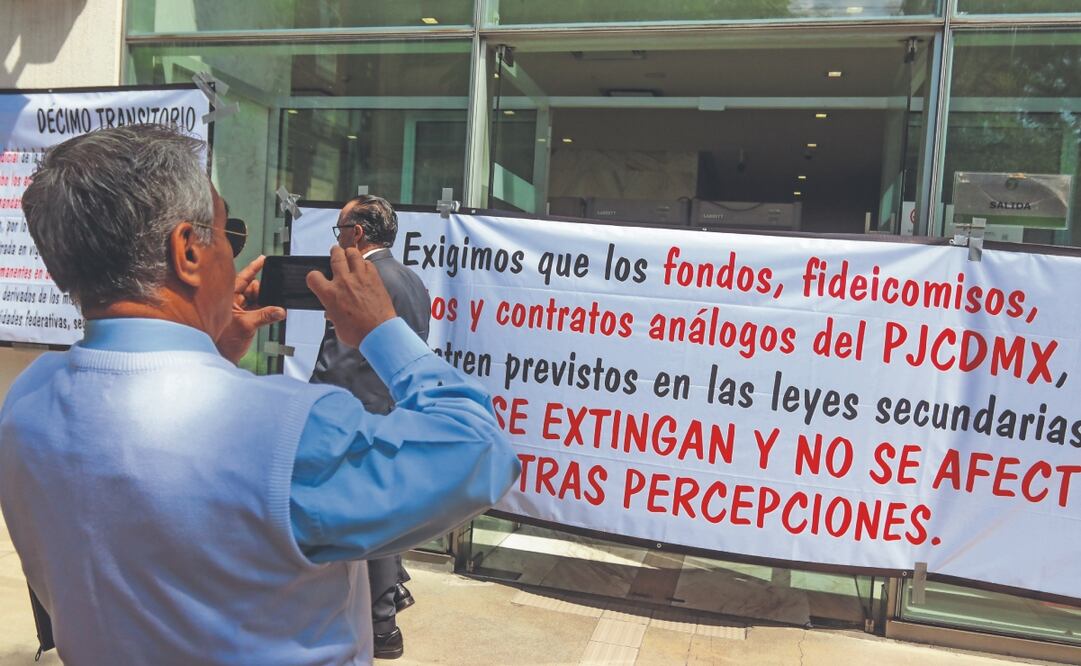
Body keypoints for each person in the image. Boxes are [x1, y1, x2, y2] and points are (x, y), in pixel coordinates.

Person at [0, 124, 520, 665]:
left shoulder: (26, 401)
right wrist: (381, 333)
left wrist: (209, 354)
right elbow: (483, 453)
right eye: (230, 234)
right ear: (189, 253)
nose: (237, 255)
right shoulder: (285, 430)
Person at [310, 195, 428, 660]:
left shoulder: (363, 279)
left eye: (339, 231)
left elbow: (336, 362)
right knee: (380, 513)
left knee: (359, 519)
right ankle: (385, 616)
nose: (337, 240)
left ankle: (378, 622)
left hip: (352, 416)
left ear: (356, 234)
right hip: (391, 413)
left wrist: (311, 406)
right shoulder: (413, 280)